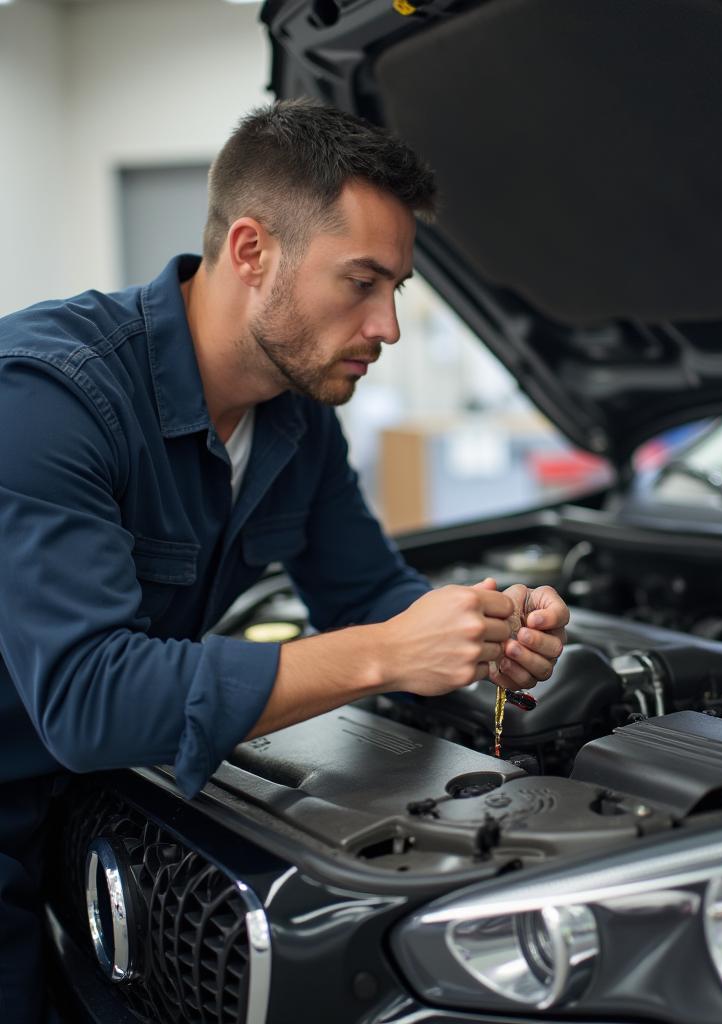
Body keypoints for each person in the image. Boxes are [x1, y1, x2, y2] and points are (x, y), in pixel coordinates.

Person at [0, 99, 569, 1023]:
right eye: (361, 282)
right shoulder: (46, 400)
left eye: (399, 289)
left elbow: (370, 594)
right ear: (252, 251)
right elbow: (92, 699)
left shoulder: (296, 424)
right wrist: (386, 655)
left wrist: (479, 625)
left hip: (89, 807)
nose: (386, 324)